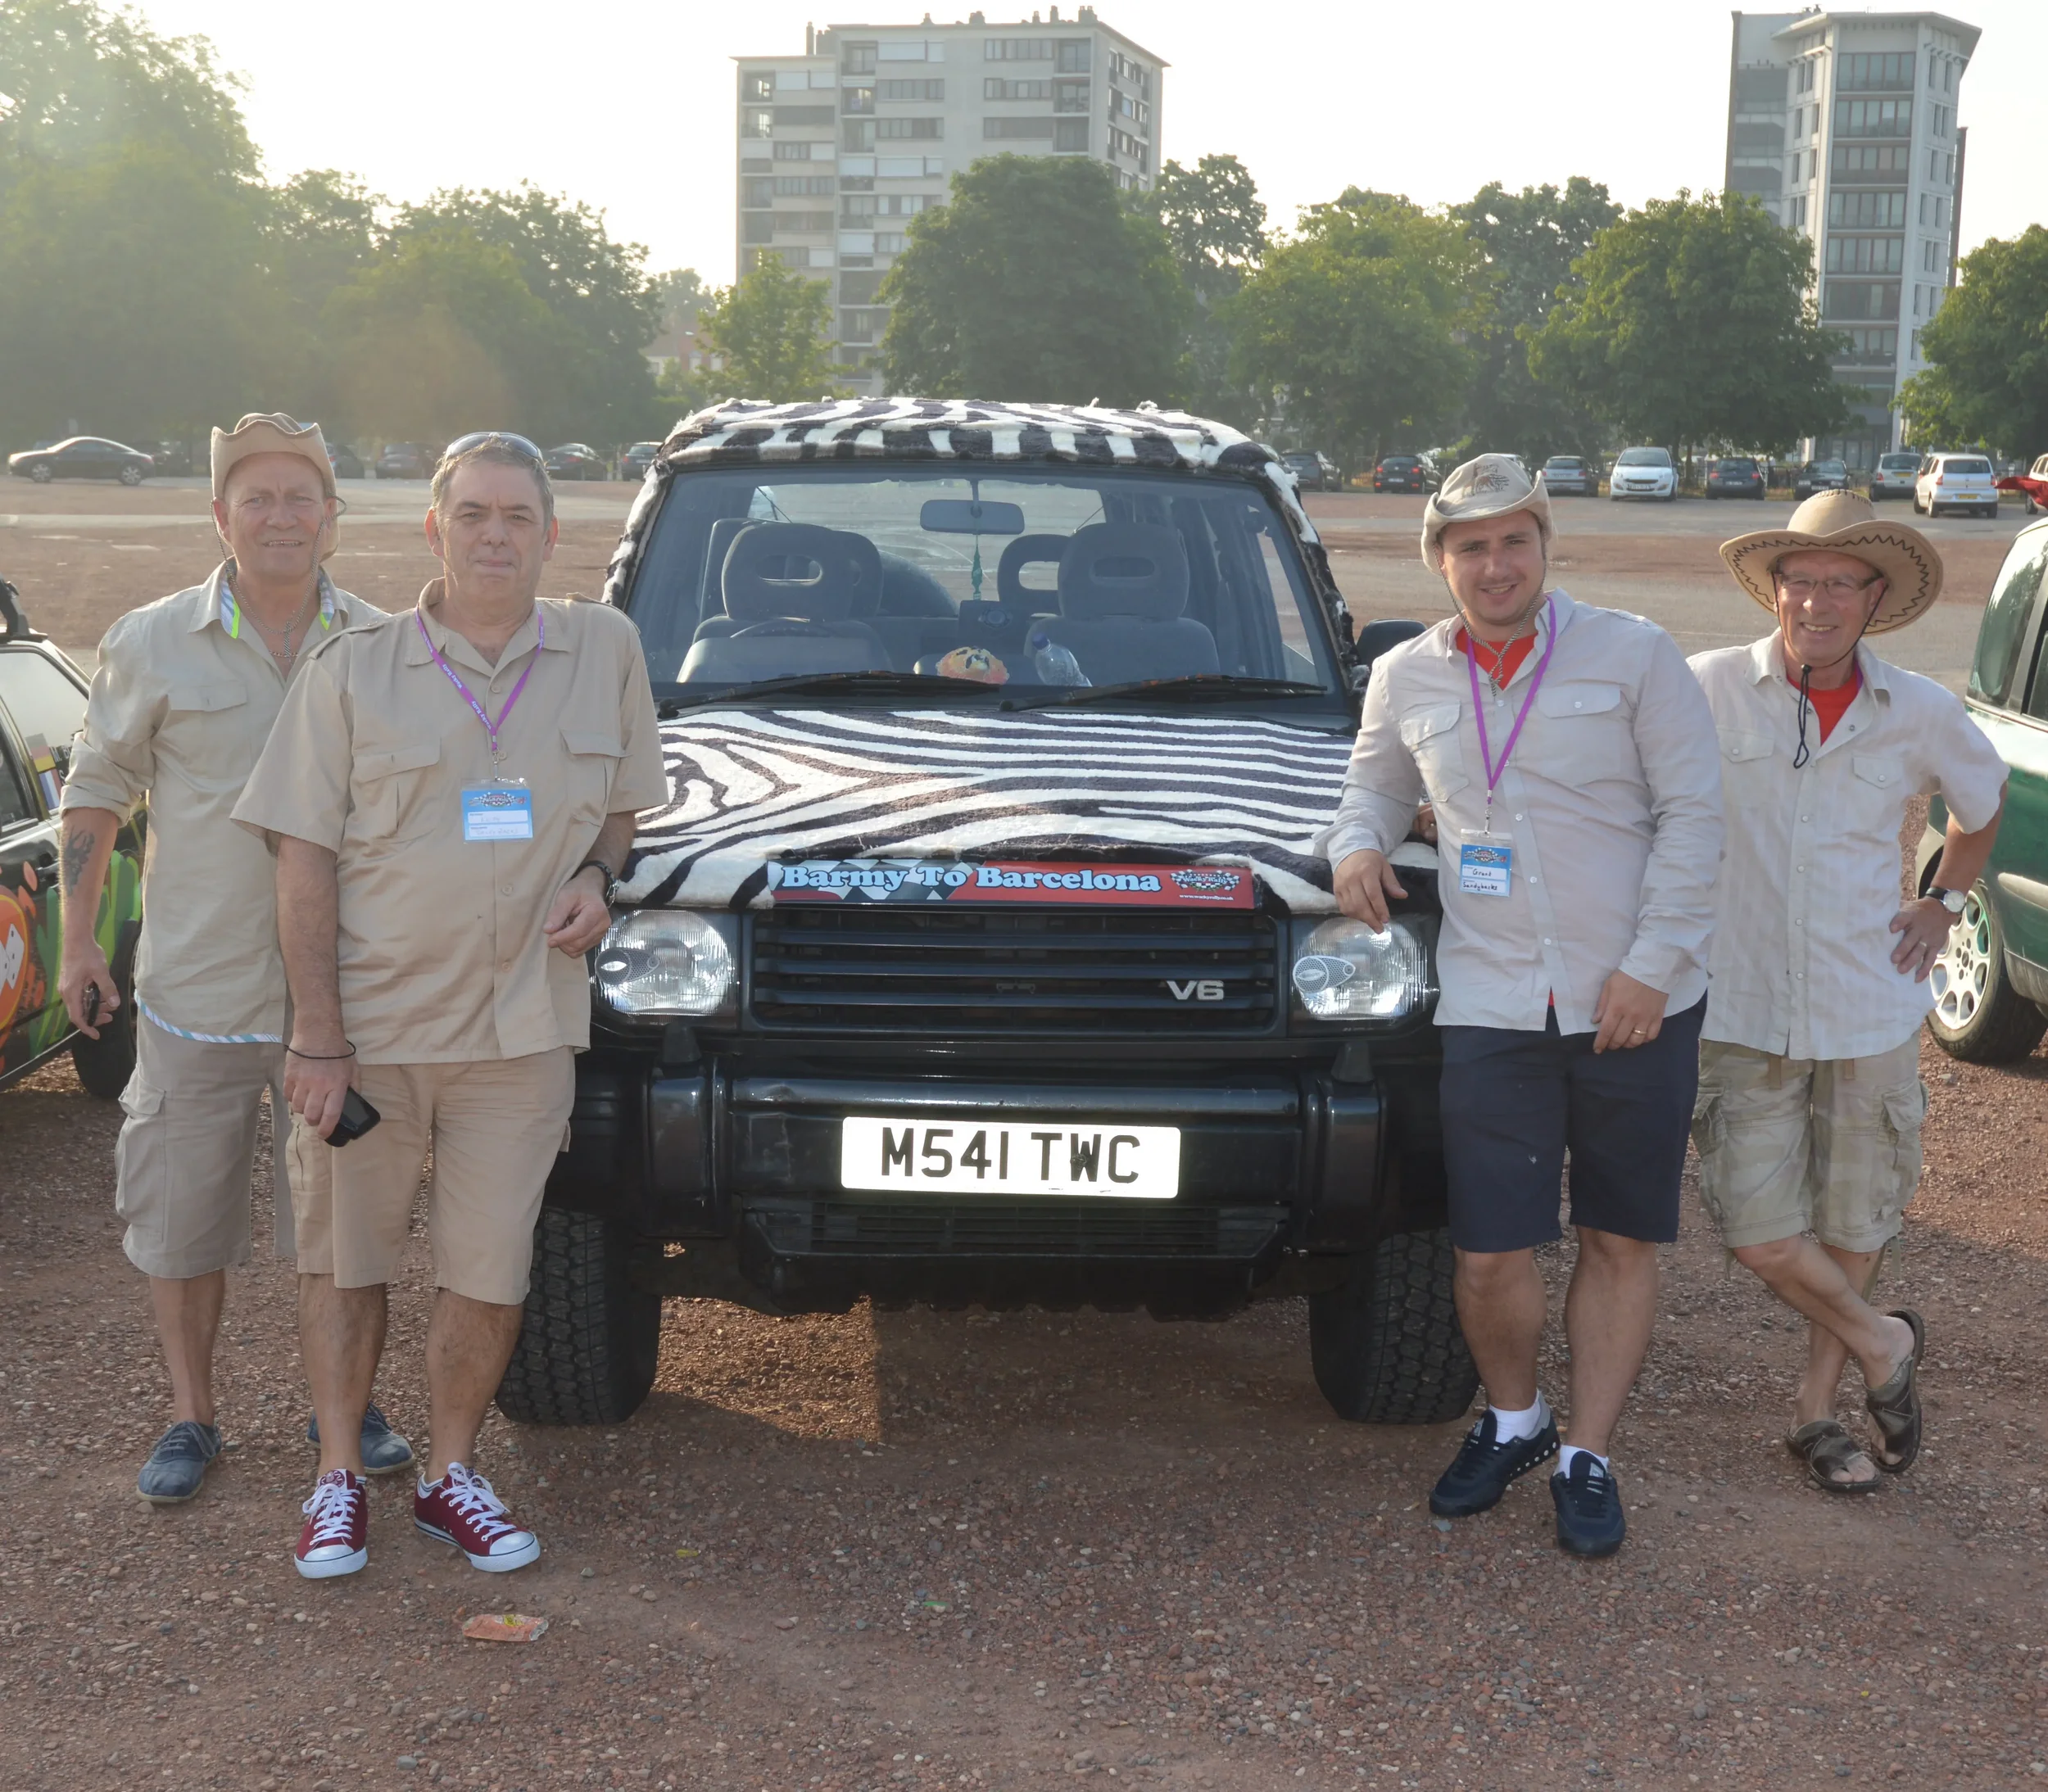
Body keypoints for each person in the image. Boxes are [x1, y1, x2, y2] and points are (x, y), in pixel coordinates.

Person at [233, 432, 669, 1579]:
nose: (493, 535)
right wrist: (316, 1039)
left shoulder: (604, 650)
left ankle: (452, 1476)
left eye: (516, 517)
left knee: (491, 1273)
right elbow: (300, 864)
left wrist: (596, 878)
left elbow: (624, 810)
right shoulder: (352, 671)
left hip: (523, 1039)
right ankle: (337, 1478)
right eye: (471, 513)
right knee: (343, 1263)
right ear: (433, 528)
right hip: (371, 1043)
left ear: (550, 534)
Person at [1321, 455, 1724, 1558]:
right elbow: (1373, 786)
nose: (1494, 565)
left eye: (1514, 541)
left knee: (1616, 1234)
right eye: (1471, 546)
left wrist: (1652, 963)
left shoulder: (1634, 655)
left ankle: (1588, 1455)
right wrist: (1357, 843)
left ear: (1546, 546)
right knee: (1489, 1250)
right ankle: (1515, 1420)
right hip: (1495, 1002)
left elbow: (1695, 817)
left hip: (1635, 998)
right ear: (1440, 561)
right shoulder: (1406, 676)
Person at [56, 413, 411, 1503]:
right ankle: (190, 1418)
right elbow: (95, 791)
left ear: (333, 518)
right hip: (194, 995)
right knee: (179, 1218)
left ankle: (341, 1411)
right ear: (219, 515)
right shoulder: (150, 639)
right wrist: (79, 944)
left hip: (343, 1007)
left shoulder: (387, 643)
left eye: (301, 497)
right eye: (256, 497)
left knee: (342, 1230)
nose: (280, 516)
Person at [1691, 491, 2005, 1492]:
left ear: (1874, 599)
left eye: (1839, 583)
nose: (1816, 600)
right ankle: (1883, 1345)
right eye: (1801, 580)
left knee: (1854, 1223)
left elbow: (1981, 803)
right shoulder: (1705, 688)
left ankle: (1816, 1418)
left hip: (1866, 1003)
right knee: (1752, 1225)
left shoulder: (1918, 708)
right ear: (1773, 588)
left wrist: (1943, 901)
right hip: (1737, 1002)